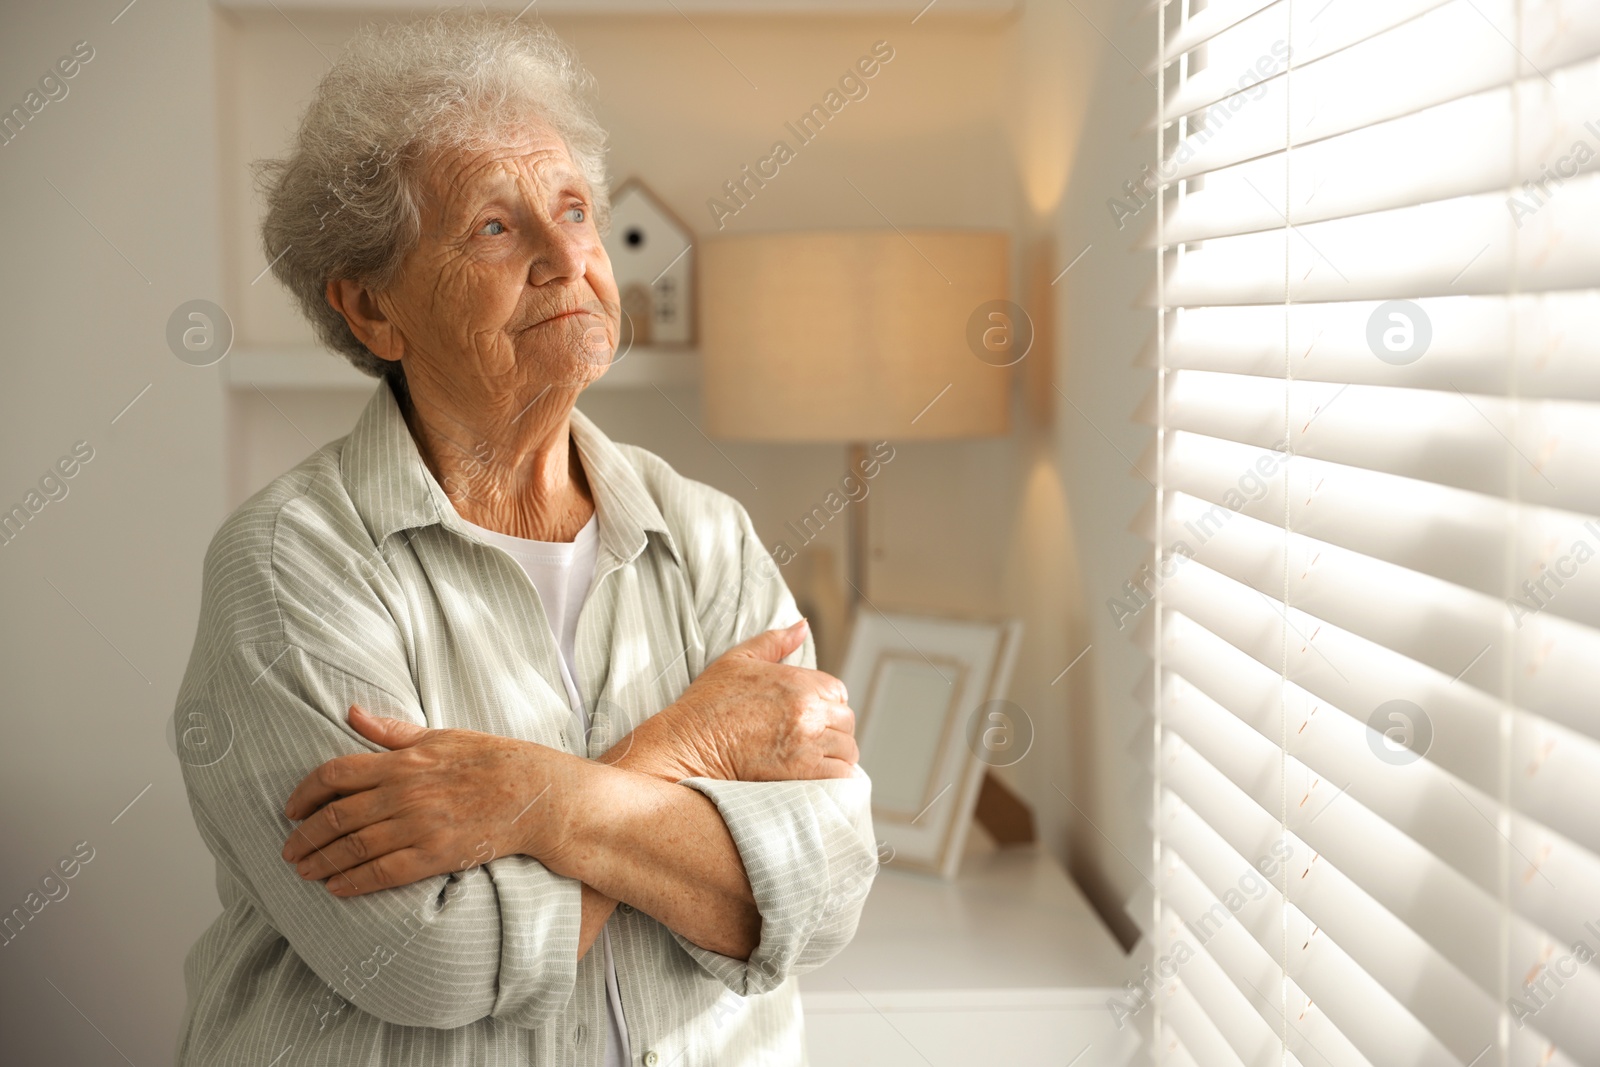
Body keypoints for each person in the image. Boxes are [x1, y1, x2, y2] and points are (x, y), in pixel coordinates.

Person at [172, 13, 875, 1065]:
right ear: (372, 309)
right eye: (495, 229)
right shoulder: (290, 564)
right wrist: (689, 747)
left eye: (574, 209)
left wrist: (528, 797)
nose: (567, 260)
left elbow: (817, 897)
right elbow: (428, 955)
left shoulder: (708, 536)